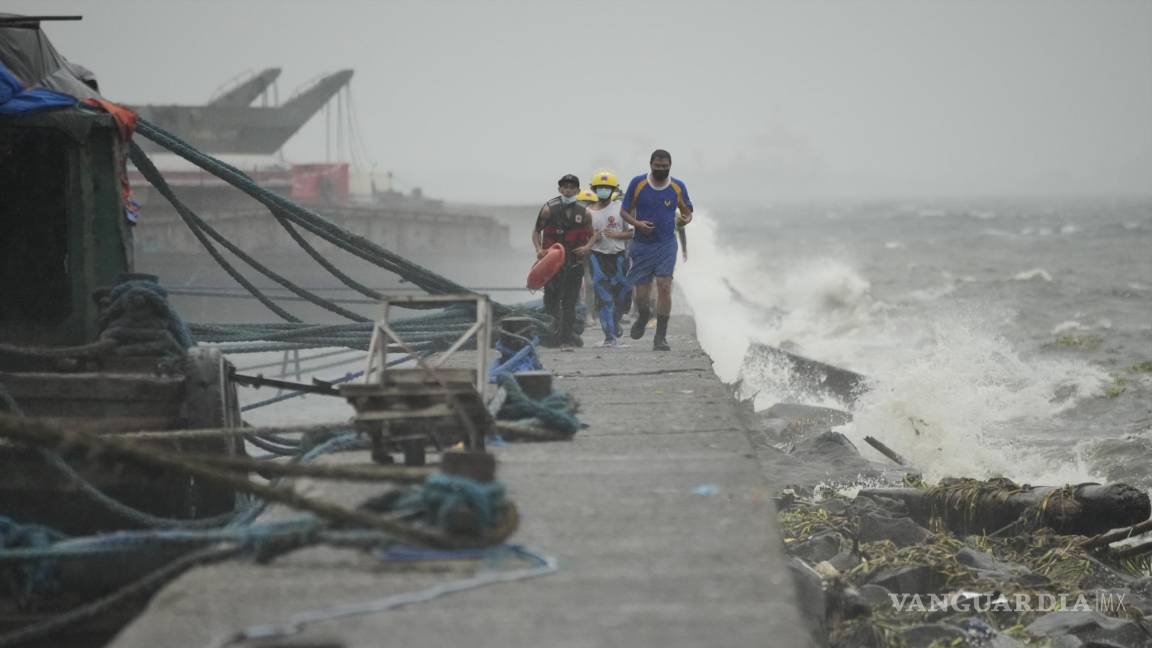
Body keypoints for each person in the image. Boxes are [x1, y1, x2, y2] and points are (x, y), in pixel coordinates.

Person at [620, 149, 693, 351]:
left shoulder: (678, 186)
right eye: (657, 166)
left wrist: (685, 219)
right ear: (650, 165)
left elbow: (687, 212)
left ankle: (660, 337)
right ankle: (643, 315)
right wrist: (637, 224)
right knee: (642, 293)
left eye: (665, 166)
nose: (661, 169)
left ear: (670, 166)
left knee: (664, 285)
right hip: (642, 245)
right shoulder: (638, 183)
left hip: (666, 244)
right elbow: (623, 211)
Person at [533, 174, 594, 350]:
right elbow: (536, 232)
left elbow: (592, 234)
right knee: (551, 301)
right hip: (552, 264)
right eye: (565, 187)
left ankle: (565, 340)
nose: (568, 190)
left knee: (569, 302)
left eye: (572, 187)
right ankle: (554, 334)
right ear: (560, 189)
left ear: (578, 190)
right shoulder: (548, 210)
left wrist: (587, 247)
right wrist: (539, 250)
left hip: (574, 263)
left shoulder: (585, 212)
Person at [585, 169, 633, 346]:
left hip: (619, 257)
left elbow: (633, 233)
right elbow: (584, 236)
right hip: (597, 257)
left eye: (607, 187)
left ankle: (616, 320)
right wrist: (592, 239)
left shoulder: (622, 209)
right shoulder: (587, 212)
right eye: (600, 187)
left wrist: (617, 235)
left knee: (622, 295)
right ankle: (609, 336)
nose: (603, 190)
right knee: (604, 297)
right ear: (594, 189)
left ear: (614, 189)